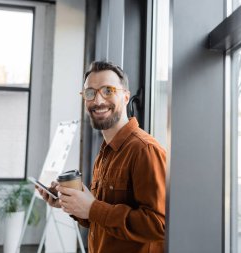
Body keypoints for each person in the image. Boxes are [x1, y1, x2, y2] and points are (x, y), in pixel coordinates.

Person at [36, 61, 166, 253]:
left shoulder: (144, 150)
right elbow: (100, 218)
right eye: (90, 93)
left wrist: (93, 208)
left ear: (126, 97)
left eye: (108, 90)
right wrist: (71, 202)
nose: (98, 101)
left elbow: (159, 226)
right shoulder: (106, 151)